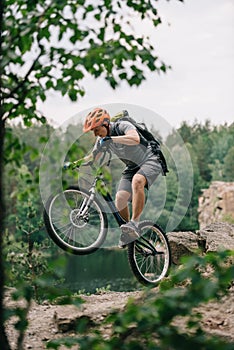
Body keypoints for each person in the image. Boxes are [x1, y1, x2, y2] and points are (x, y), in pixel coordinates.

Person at [70, 107, 163, 247]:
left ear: (106, 124)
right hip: (132, 167)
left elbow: (135, 139)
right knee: (120, 198)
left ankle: (134, 223)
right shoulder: (102, 139)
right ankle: (128, 233)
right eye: (93, 132)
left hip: (151, 159)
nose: (95, 134)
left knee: (138, 181)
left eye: (96, 130)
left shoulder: (122, 126)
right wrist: (76, 163)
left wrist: (111, 139)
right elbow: (93, 157)